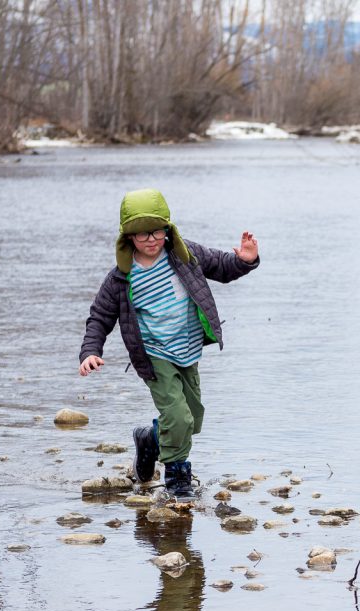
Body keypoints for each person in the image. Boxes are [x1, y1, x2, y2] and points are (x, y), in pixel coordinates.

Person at [79, 188, 259, 497]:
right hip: (153, 354)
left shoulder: (184, 256)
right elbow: (100, 316)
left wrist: (244, 260)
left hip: (188, 349)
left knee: (192, 420)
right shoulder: (121, 277)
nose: (151, 239)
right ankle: (177, 477)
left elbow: (221, 266)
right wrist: (90, 351)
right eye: (142, 234)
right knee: (178, 417)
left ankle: (149, 439)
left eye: (157, 231)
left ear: (167, 229)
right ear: (129, 238)